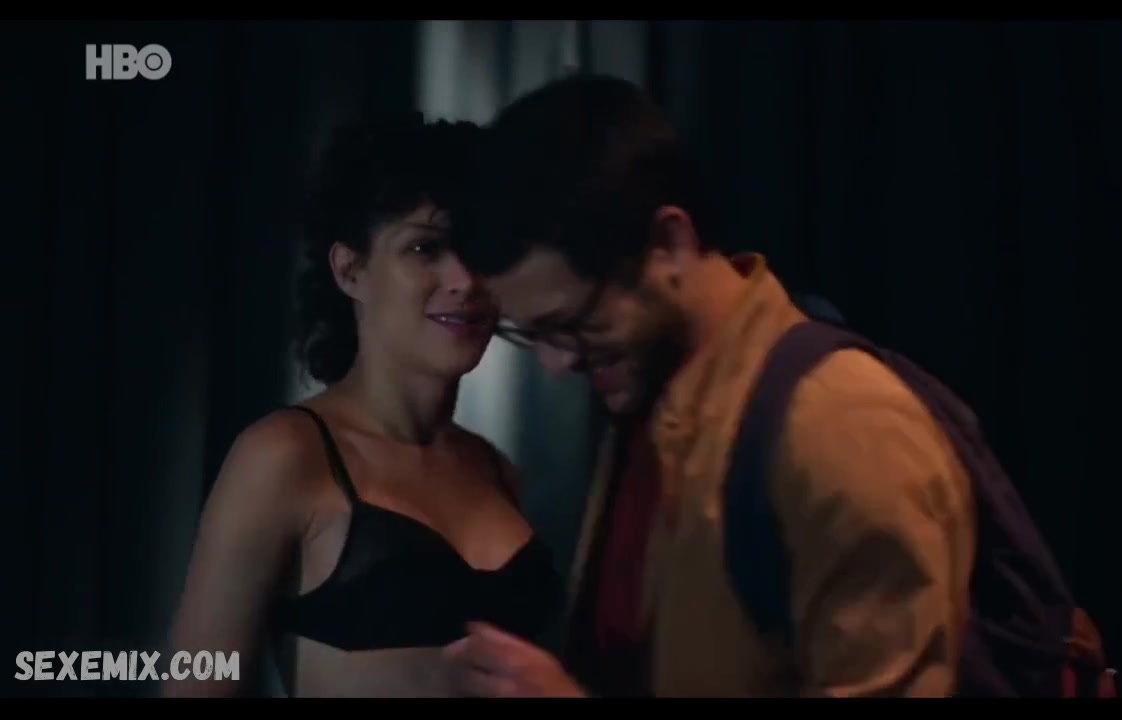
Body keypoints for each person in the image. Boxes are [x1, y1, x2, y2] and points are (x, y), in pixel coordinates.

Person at [439, 74, 976, 698]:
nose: (556, 365)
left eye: (574, 323)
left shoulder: (840, 428)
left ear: (670, 243)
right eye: (531, 335)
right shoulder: (654, 404)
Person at [163, 115, 562, 697]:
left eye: (477, 248)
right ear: (350, 270)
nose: (465, 280)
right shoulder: (285, 456)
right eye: (426, 248)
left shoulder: (496, 471)